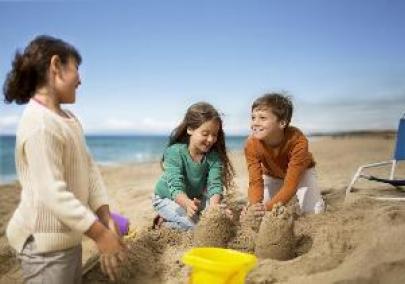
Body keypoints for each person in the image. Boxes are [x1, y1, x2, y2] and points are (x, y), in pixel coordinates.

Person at [3, 35, 126, 283]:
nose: (80, 79)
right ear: (56, 66)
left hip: (69, 236)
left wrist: (105, 218)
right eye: (76, 69)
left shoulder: (68, 118)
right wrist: (100, 235)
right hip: (42, 245)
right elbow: (52, 192)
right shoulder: (39, 123)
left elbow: (89, 170)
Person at [152, 102, 235, 230]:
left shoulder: (213, 157)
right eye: (205, 133)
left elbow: (215, 184)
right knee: (196, 226)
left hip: (193, 199)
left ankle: (178, 216)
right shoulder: (175, 152)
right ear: (190, 129)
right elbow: (175, 186)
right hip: (167, 198)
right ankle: (162, 223)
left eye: (215, 134)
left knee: (219, 218)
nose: (211, 140)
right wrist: (187, 204)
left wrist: (214, 209)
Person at [244, 92, 325, 216]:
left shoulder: (298, 141)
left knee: (314, 212)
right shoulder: (251, 144)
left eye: (262, 118)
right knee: (259, 209)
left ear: (282, 123)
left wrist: (268, 208)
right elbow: (255, 182)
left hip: (301, 174)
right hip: (272, 175)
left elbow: (290, 184)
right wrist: (255, 205)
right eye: (253, 117)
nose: (255, 123)